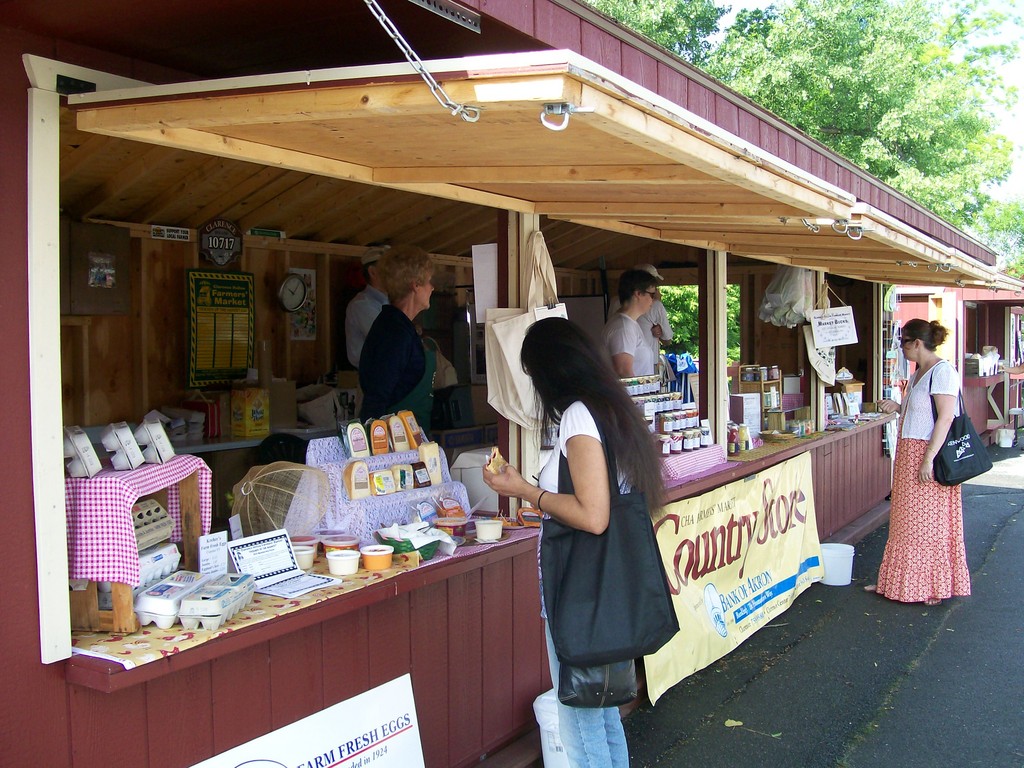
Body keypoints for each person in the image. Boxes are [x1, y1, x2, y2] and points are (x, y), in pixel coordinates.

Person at [481, 316, 662, 768]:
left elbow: (593, 516)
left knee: (580, 723)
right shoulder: (611, 407)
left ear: (550, 373)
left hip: (582, 590)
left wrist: (526, 491)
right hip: (609, 586)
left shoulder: (580, 416)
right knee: (602, 715)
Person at [867, 319, 970, 606]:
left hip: (928, 453)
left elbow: (946, 417)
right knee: (905, 522)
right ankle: (899, 582)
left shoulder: (943, 371)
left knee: (928, 524)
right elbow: (921, 413)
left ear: (916, 343)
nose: (903, 350)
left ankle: (930, 586)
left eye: (904, 343)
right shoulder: (917, 374)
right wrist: (898, 407)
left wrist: (928, 459)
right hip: (909, 451)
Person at [358, 245, 436, 432]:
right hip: (394, 443)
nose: (432, 288)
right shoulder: (393, 333)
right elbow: (377, 396)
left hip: (412, 438)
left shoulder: (401, 327)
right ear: (415, 285)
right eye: (428, 282)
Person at [606, 263, 673, 361]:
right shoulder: (624, 326)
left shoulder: (615, 303)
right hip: (648, 366)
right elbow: (668, 340)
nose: (653, 297)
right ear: (639, 293)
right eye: (652, 292)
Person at [603, 268, 660, 377]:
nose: (653, 300)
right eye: (652, 295)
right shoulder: (623, 328)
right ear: (638, 294)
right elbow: (624, 372)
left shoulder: (628, 323)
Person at [345, 245, 389, 368]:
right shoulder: (362, 305)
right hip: (371, 378)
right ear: (372, 272)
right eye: (388, 269)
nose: (394, 274)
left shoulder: (389, 302)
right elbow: (388, 340)